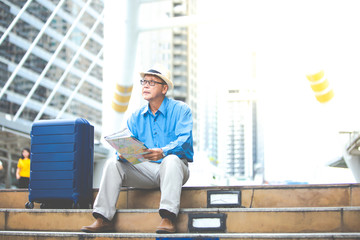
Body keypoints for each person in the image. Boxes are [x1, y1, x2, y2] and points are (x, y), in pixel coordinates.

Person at [81, 64, 193, 233]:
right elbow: (128, 144)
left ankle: (168, 218)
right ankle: (103, 218)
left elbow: (184, 141)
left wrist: (163, 151)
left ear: (164, 88)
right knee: (113, 164)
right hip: (146, 171)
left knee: (171, 160)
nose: (145, 85)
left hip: (175, 169)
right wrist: (123, 154)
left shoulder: (181, 110)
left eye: (151, 82)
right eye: (144, 81)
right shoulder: (135, 117)